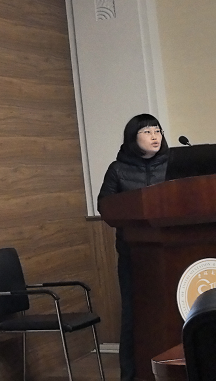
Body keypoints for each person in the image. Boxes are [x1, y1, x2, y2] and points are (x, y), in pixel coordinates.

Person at [98, 113, 169, 381]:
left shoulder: (173, 165)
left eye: (157, 130)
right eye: (147, 132)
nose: (154, 136)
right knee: (133, 316)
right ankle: (131, 375)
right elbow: (106, 207)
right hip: (133, 256)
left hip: (171, 254)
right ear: (132, 138)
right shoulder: (118, 169)